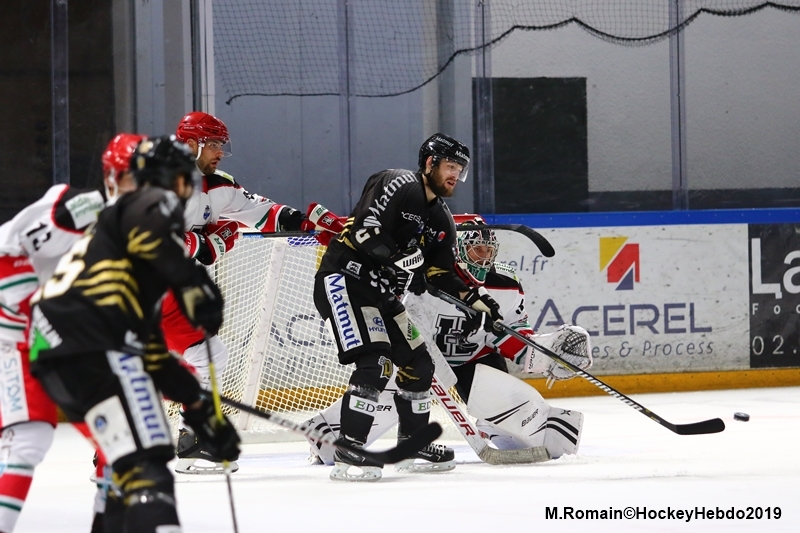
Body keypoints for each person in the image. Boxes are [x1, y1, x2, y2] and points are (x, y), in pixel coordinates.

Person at [28, 135, 240, 533]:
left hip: (58, 347)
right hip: (82, 347)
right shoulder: (137, 215)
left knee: (126, 468)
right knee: (146, 470)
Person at [305, 216, 594, 465]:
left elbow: (513, 335)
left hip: (474, 360)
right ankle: (328, 433)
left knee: (540, 435)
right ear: (458, 250)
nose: (484, 257)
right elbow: (406, 326)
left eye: (488, 250)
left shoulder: (505, 283)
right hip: (419, 355)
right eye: (476, 249)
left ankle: (534, 424)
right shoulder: (424, 280)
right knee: (396, 394)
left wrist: (545, 354)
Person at [312, 133, 505, 482]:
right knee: (376, 362)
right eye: (450, 166)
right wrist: (401, 256)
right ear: (430, 163)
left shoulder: (441, 219)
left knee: (419, 362)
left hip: (383, 295)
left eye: (459, 170)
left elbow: (440, 274)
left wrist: (476, 300)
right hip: (345, 281)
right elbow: (364, 233)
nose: (454, 175)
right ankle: (349, 449)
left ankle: (411, 443)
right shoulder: (398, 182)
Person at [161, 111, 343, 474]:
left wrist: (309, 223)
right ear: (191, 143)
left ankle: (120, 452)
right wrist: (208, 243)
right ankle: (191, 437)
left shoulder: (217, 184)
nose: (219, 153)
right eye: (212, 144)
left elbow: (262, 212)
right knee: (204, 355)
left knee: (187, 359)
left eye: (220, 145)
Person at [0, 133, 144, 533]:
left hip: (62, 346)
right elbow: (4, 249)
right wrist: (34, 309)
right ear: (113, 178)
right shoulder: (80, 209)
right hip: (14, 335)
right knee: (28, 438)